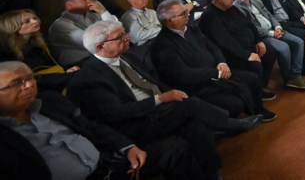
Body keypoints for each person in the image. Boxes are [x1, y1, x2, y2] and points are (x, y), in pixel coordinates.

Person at [67, 21, 262, 180]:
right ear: (100, 47)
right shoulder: (89, 78)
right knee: (191, 105)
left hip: (159, 109)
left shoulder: (128, 57)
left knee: (195, 126)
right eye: (120, 37)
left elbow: (153, 83)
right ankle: (229, 124)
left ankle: (211, 173)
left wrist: (166, 95)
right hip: (138, 121)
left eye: (125, 33)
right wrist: (160, 99)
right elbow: (116, 113)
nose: (127, 38)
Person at [0, 61, 204, 180]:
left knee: (175, 148)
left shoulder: (50, 102)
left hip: (107, 163)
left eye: (30, 78)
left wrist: (128, 147)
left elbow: (91, 126)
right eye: (16, 83)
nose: (29, 85)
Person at [152, 0, 276, 122]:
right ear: (169, 21)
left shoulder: (191, 29)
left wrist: (222, 63)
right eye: (183, 13)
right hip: (199, 85)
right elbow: (184, 75)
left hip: (217, 71)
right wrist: (216, 73)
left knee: (252, 78)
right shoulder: (163, 45)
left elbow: (213, 47)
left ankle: (258, 110)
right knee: (236, 104)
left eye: (186, 11)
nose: (188, 14)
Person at [234, 0, 305, 91]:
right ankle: (289, 78)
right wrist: (272, 33)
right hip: (262, 36)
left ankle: (295, 74)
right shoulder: (237, 7)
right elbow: (252, 28)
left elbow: (269, 15)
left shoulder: (256, 1)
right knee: (284, 47)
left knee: (299, 42)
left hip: (274, 29)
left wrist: (278, 27)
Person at [0, 10, 78, 92]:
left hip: (53, 77)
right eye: (27, 21)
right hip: (32, 85)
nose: (35, 21)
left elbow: (54, 62)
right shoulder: (4, 51)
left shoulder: (40, 41)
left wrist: (67, 70)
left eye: (34, 18)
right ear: (12, 27)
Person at [48, 0, 120, 67]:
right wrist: (113, 37)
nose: (91, 2)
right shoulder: (60, 25)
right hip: (79, 65)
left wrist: (103, 11)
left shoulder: (93, 16)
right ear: (69, 5)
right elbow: (91, 43)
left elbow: (118, 30)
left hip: (100, 59)